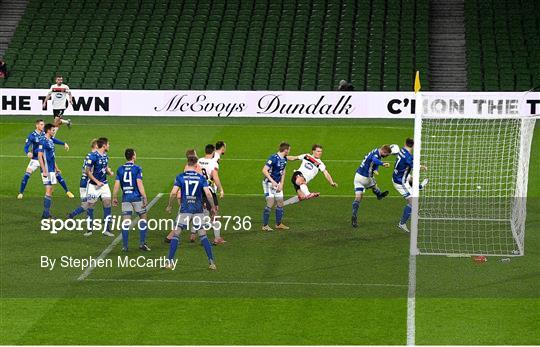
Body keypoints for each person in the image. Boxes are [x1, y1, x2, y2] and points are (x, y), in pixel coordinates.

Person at [165, 154, 217, 270]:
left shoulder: (180, 177)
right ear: (196, 164)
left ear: (187, 163)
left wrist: (169, 205)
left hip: (185, 210)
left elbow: (173, 193)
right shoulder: (201, 178)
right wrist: (212, 207)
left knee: (176, 234)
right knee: (203, 235)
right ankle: (211, 262)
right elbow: (208, 194)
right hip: (198, 210)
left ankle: (169, 262)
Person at [18, 119, 73, 199]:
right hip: (35, 159)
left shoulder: (45, 134)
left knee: (57, 173)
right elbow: (26, 147)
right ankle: (21, 193)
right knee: (27, 174)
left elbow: (53, 140)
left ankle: (67, 191)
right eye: (41, 124)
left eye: (43, 124)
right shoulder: (32, 135)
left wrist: (63, 143)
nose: (43, 126)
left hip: (45, 159)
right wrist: (28, 153)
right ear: (37, 125)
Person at [113, 148, 150, 251]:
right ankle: (142, 244)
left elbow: (116, 184)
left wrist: (115, 197)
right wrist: (145, 197)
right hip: (136, 197)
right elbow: (139, 183)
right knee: (143, 218)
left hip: (126, 198)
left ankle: (125, 246)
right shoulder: (137, 168)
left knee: (125, 221)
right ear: (133, 156)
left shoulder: (120, 169)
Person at [392, 138, 429, 232]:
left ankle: (419, 187)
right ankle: (402, 223)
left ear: (405, 143)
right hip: (400, 181)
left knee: (412, 180)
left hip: (401, 174)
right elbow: (415, 166)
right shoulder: (408, 157)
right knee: (413, 202)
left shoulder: (402, 150)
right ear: (413, 146)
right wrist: (423, 167)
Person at [351, 145, 392, 228]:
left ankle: (354, 216)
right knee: (374, 185)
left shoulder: (375, 151)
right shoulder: (377, 155)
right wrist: (383, 164)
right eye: (386, 155)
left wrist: (376, 169)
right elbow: (375, 160)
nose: (386, 156)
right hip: (366, 178)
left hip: (358, 176)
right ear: (383, 152)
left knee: (358, 198)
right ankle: (379, 195)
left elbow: (373, 162)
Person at [261, 142, 299, 231]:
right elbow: (264, 170)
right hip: (268, 184)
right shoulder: (273, 158)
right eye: (289, 149)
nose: (289, 151)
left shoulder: (284, 159)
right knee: (270, 203)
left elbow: (283, 172)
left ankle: (278, 224)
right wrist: (273, 181)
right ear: (285, 150)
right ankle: (265, 225)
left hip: (277, 184)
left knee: (280, 203)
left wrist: (281, 184)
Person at [83, 137, 114, 237]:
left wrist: (109, 172)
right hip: (93, 185)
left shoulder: (105, 156)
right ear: (104, 145)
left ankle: (107, 229)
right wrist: (96, 182)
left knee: (107, 204)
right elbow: (87, 171)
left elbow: (105, 167)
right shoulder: (93, 156)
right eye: (108, 144)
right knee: (91, 205)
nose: (109, 146)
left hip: (104, 185)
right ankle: (89, 229)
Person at [36, 124, 65, 222]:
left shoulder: (51, 141)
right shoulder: (42, 141)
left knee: (50, 190)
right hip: (47, 169)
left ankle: (46, 213)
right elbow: (40, 156)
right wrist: (44, 170)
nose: (54, 131)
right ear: (48, 131)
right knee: (48, 191)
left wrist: (57, 168)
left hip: (52, 169)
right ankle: (46, 215)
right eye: (53, 130)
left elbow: (52, 156)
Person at [198, 144, 226, 244]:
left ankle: (203, 238)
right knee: (214, 213)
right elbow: (216, 178)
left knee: (204, 213)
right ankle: (216, 238)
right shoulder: (213, 163)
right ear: (213, 151)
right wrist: (221, 189)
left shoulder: (199, 161)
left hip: (199, 190)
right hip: (209, 190)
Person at [67, 139, 98, 219]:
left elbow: (84, 169)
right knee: (87, 205)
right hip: (88, 183)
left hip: (83, 181)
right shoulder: (94, 156)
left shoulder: (88, 155)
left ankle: (74, 216)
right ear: (96, 146)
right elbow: (90, 171)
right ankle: (72, 215)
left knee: (87, 204)